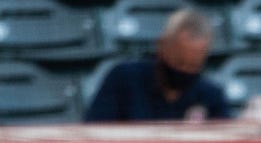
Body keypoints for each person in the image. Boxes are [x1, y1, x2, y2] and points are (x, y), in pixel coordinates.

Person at [83, 7, 231, 123]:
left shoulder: (211, 96)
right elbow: (94, 134)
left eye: (193, 66)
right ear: (162, 46)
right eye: (179, 62)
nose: (184, 71)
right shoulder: (123, 79)